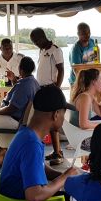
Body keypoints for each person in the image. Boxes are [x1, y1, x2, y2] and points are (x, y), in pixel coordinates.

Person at [0, 85, 82, 201]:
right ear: (56, 114)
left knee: (81, 200)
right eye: (64, 113)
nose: (63, 118)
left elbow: (38, 167)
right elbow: (34, 196)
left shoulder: (27, 134)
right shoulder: (31, 144)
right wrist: (64, 177)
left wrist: (63, 176)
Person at [29, 27, 65, 163]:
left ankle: (58, 153)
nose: (35, 43)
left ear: (43, 37)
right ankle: (57, 152)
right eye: (33, 42)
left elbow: (61, 70)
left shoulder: (55, 50)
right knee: (47, 122)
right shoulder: (42, 50)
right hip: (41, 89)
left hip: (51, 88)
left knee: (52, 122)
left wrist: (57, 88)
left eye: (36, 41)